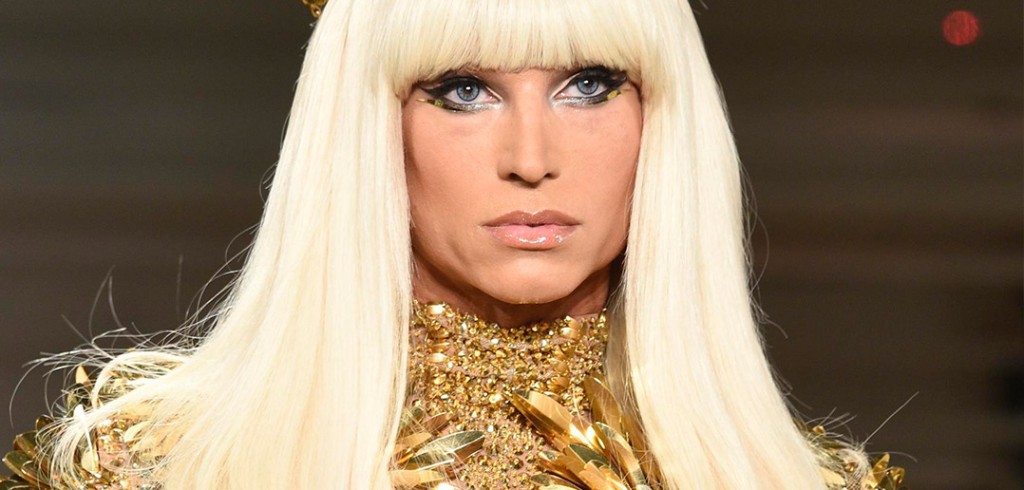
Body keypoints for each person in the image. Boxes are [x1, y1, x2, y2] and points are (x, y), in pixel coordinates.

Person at [2, 1, 907, 489]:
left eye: (591, 85)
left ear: (664, 116)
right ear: (367, 123)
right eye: (464, 90)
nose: (531, 158)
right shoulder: (141, 472)